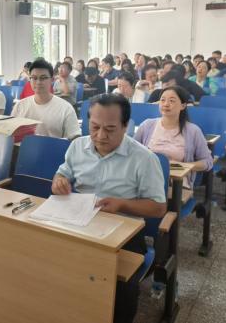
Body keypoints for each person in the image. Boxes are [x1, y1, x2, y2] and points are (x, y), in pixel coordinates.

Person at [52, 94, 166, 323]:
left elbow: (158, 208)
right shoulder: (77, 146)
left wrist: (122, 204)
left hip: (123, 233)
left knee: (119, 287)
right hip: (79, 222)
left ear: (125, 126)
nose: (101, 136)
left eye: (110, 129)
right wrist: (59, 181)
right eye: (95, 127)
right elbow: (62, 173)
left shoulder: (144, 158)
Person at [135, 86, 213, 189]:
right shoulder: (147, 125)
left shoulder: (193, 131)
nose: (166, 104)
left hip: (176, 183)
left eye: (172, 101)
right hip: (147, 178)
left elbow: (208, 162)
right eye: (163, 100)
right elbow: (132, 152)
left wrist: (186, 166)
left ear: (183, 106)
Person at [12, 59, 80, 139]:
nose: (38, 82)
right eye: (34, 78)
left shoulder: (66, 108)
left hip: (55, 147)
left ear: (52, 80)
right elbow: (11, 134)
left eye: (43, 78)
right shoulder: (20, 106)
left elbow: (75, 138)